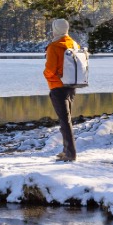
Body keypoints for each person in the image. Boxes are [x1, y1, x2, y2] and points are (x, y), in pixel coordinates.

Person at [43, 17, 80, 162]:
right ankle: (66, 151)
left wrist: (45, 75)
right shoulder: (73, 44)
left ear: (55, 29)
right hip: (71, 85)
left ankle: (70, 154)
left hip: (58, 86)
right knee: (67, 119)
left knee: (65, 121)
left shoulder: (54, 46)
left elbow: (50, 69)